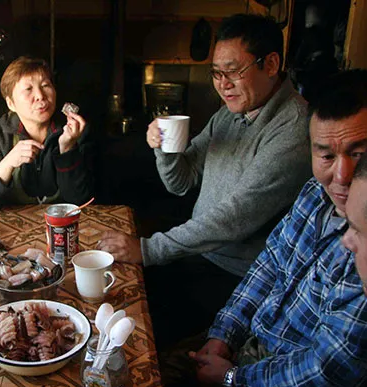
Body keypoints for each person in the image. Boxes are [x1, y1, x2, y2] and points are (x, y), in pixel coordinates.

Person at [76, 69, 367, 387]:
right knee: (132, 382)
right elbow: (266, 267)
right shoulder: (313, 193)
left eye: (359, 152)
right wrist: (222, 335)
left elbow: (326, 376)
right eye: (326, 155)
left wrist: (233, 380)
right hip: (247, 349)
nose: (341, 176)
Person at [97, 14, 311, 341]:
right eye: (216, 72)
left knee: (139, 331)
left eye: (233, 71)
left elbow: (234, 219)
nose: (222, 83)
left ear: (270, 64)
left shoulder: (292, 131)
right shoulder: (229, 114)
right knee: (115, 291)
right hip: (200, 256)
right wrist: (165, 148)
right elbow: (180, 182)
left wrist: (148, 249)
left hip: (237, 277)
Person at [0, 56, 94, 211]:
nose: (40, 96)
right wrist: (8, 163)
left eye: (45, 85)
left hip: (62, 226)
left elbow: (80, 201)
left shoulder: (75, 130)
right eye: (28, 89)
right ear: (11, 103)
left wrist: (67, 149)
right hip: (12, 230)